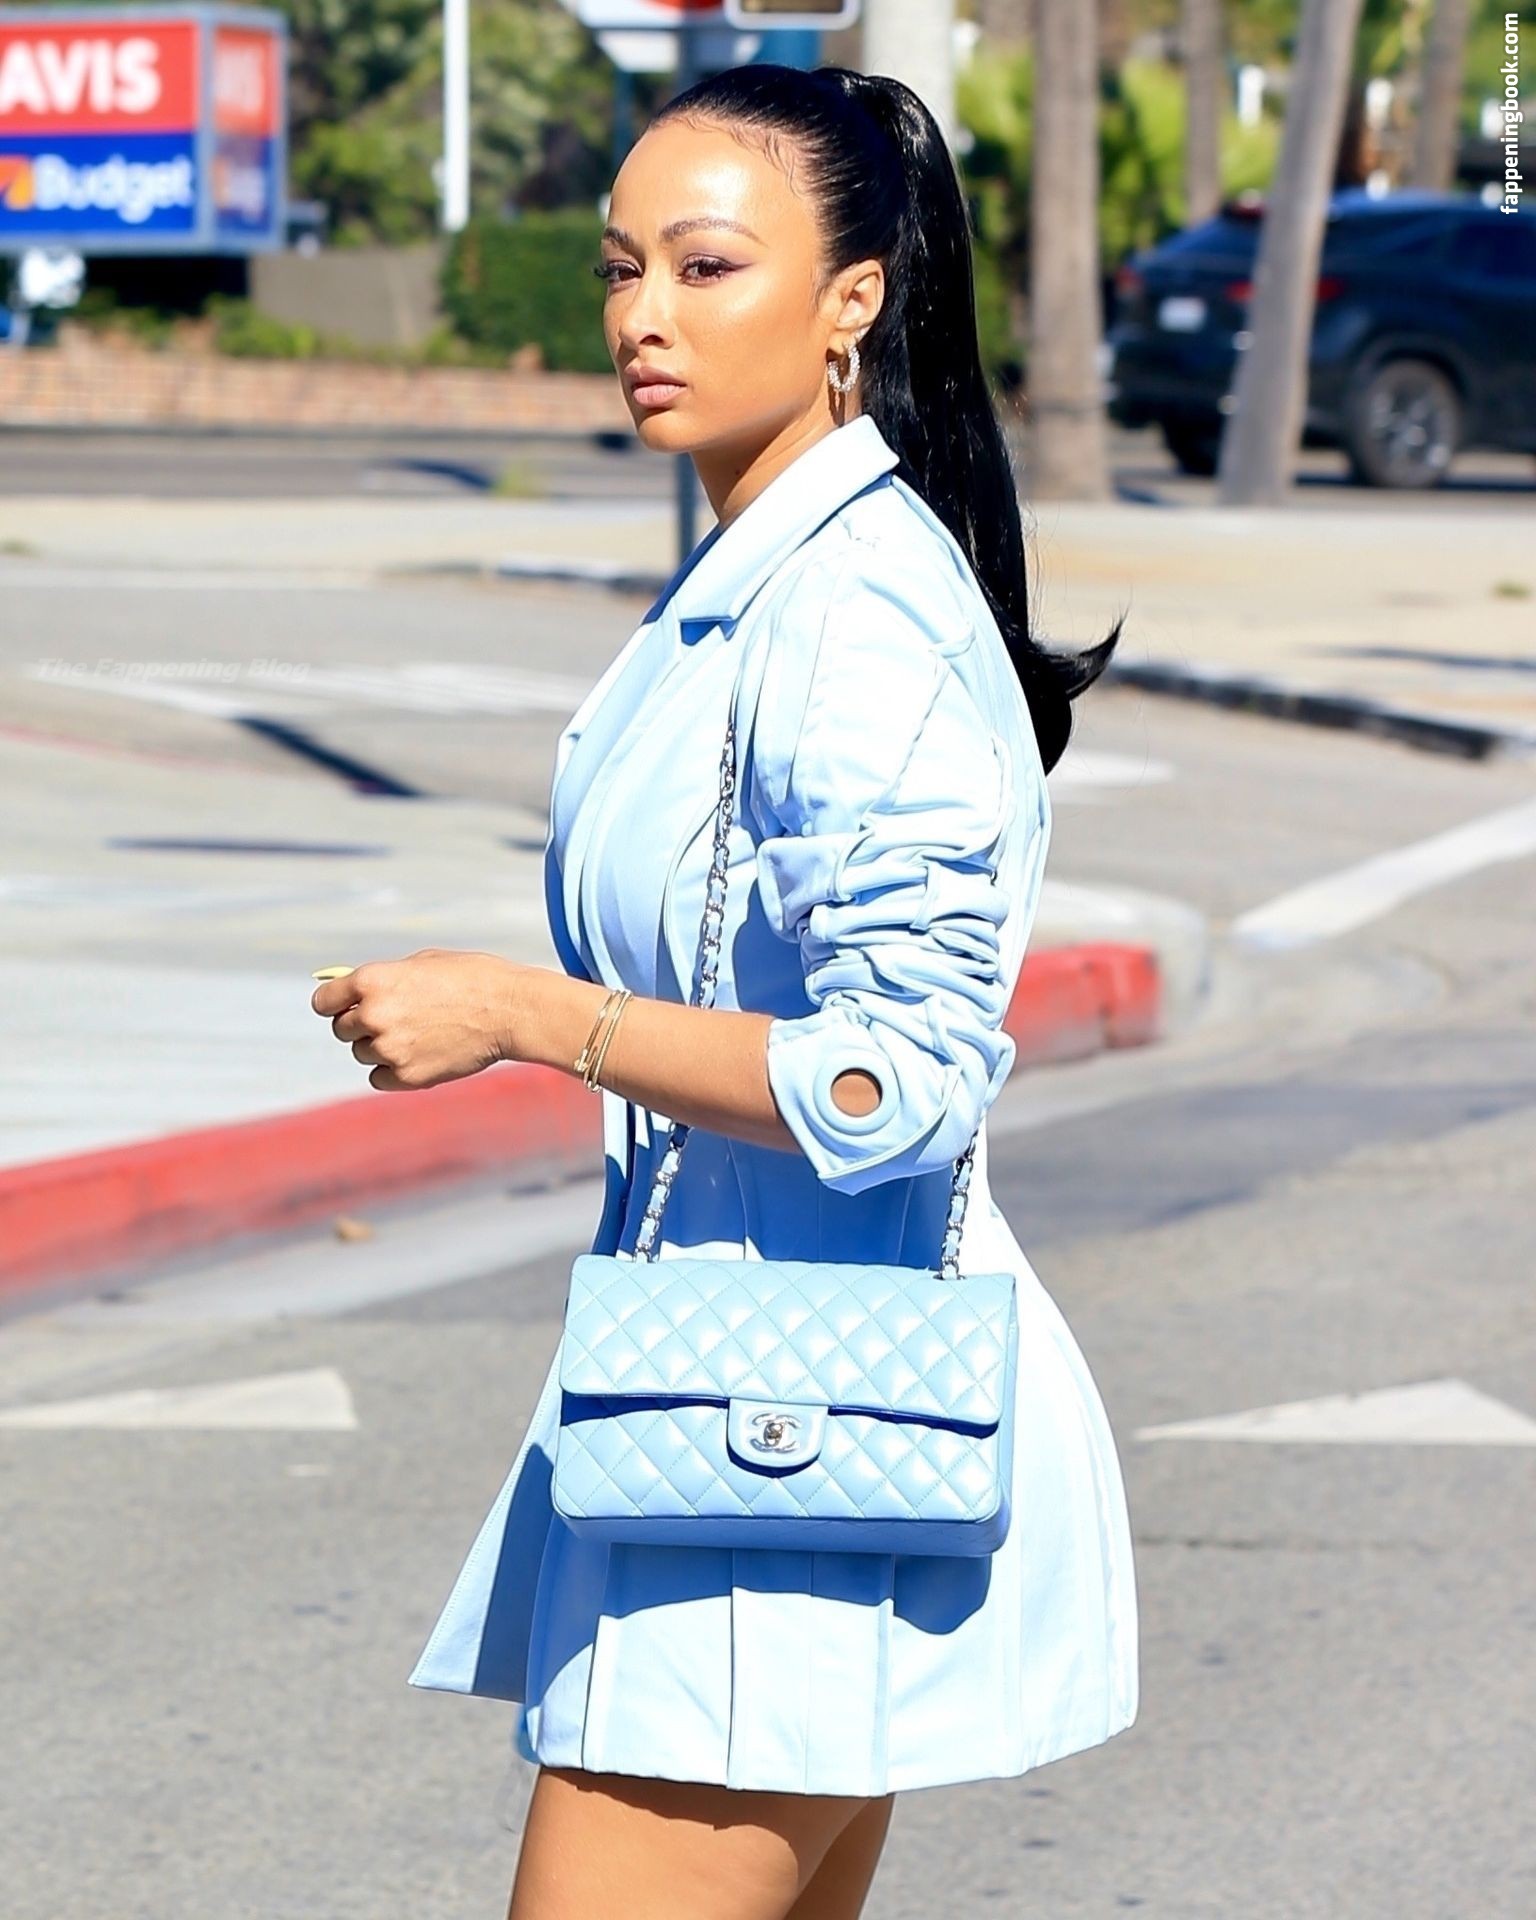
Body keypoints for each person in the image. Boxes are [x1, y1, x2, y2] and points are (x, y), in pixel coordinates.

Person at [315, 62, 1137, 1920]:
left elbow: (899, 1079)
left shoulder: (853, 618)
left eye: (704, 267)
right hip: (750, 1413)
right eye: (623, 270)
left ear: (852, 300)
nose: (643, 317)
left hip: (786, 1452)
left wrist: (525, 1014)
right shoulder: (775, 578)